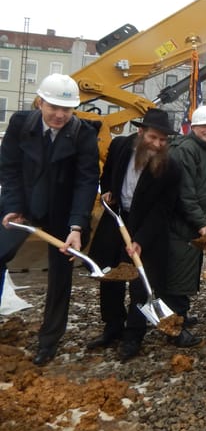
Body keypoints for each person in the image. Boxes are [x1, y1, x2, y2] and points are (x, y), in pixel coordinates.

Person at [0, 73, 99, 366]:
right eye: (53, 107)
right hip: (25, 206)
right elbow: (9, 168)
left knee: (61, 273)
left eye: (66, 109)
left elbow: (86, 181)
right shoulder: (21, 124)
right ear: (40, 102)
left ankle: (49, 340)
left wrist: (76, 227)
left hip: (63, 212)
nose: (59, 115)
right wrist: (14, 206)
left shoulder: (83, 134)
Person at [87, 108, 183, 361]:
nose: (158, 144)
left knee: (142, 283)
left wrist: (140, 239)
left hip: (148, 227)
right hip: (117, 220)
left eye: (163, 140)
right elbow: (107, 173)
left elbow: (163, 210)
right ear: (140, 132)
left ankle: (133, 335)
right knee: (111, 276)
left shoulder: (170, 168)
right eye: (153, 138)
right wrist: (108, 191)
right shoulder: (119, 147)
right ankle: (113, 326)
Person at [161, 105, 206, 334]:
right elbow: (185, 194)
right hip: (180, 225)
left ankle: (182, 315)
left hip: (191, 223)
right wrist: (200, 222)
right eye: (204, 125)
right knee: (177, 275)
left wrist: (204, 218)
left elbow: (203, 190)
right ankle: (175, 328)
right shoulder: (186, 150)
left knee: (185, 272)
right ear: (193, 127)